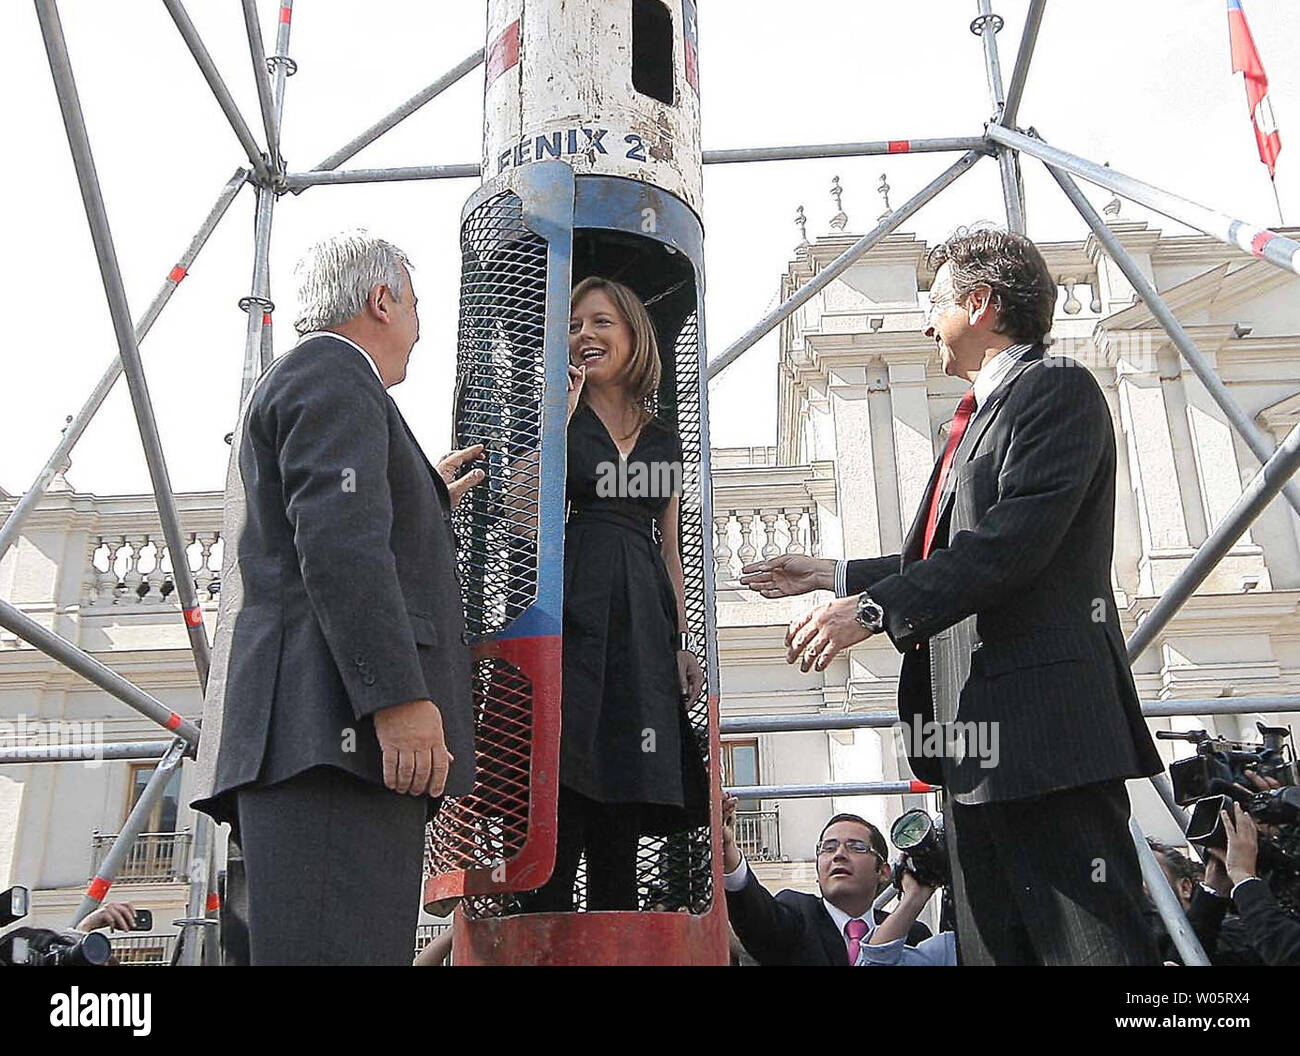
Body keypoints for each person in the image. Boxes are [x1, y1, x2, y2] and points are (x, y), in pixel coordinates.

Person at [740, 228, 1163, 965]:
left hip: (1047, 740)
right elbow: (944, 555)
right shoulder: (973, 421)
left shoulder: (1057, 389)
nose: (925, 322)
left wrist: (871, 612)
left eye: (933, 304)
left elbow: (1010, 543)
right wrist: (837, 576)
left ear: (979, 303)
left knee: (1089, 950)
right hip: (974, 756)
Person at [190, 231, 484, 965]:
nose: (419, 330)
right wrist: (398, 699)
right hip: (333, 746)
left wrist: (420, 493)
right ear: (381, 301)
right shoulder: (334, 372)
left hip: (312, 750)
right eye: (414, 306)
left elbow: (334, 520)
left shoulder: (315, 381)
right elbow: (339, 544)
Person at [518, 276, 708, 912]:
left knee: (624, 792)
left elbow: (670, 548)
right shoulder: (556, 413)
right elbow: (519, 512)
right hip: (574, 598)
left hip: (643, 622)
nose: (584, 336)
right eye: (573, 326)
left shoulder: (663, 437)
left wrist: (681, 644)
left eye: (601, 322)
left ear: (633, 335)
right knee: (564, 774)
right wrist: (560, 418)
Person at [722, 795, 940, 965]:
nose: (839, 854)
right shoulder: (798, 913)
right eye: (828, 848)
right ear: (818, 872)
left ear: (883, 871)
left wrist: (912, 899)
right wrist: (728, 850)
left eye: (856, 847)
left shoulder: (912, 933)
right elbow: (756, 918)